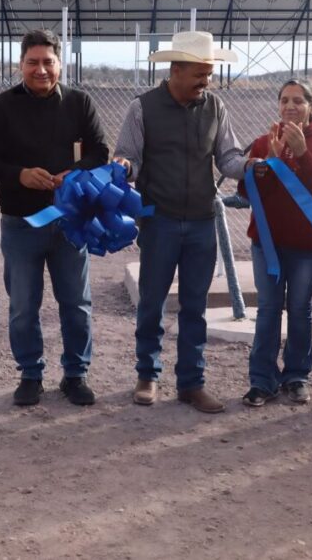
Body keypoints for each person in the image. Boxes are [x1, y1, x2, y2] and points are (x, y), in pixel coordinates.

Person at [113, 31, 246, 413]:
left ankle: (191, 383)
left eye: (210, 73)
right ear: (176, 70)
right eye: (200, 73)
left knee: (194, 307)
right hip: (160, 222)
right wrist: (124, 166)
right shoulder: (142, 108)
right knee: (152, 302)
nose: (207, 81)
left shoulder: (215, 107)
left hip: (203, 222)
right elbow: (130, 157)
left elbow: (228, 159)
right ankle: (147, 375)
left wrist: (252, 166)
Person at [0, 29, 109, 407]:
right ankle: (30, 374)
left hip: (70, 223)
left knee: (76, 304)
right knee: (23, 306)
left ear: (60, 65)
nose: (41, 70)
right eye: (32, 62)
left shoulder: (80, 103)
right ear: (20, 65)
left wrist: (75, 173)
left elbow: (100, 151)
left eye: (48, 62)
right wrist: (20, 175)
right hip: (21, 223)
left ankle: (75, 374)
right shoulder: (1, 107)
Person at [238, 80, 312, 407]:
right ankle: (262, 380)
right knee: (268, 309)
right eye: (284, 100)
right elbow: (247, 192)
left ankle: (296, 376)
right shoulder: (264, 141)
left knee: (299, 308)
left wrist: (302, 154)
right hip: (267, 243)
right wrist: (266, 164)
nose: (290, 106)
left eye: (298, 101)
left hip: (308, 246)